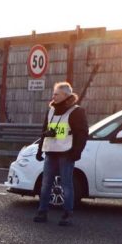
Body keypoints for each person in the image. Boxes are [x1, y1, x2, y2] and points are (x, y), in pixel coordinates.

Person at [34, 81, 88, 226]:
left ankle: (67, 215)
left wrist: (77, 152)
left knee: (66, 185)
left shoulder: (76, 111)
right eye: (54, 94)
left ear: (65, 95)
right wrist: (39, 150)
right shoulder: (51, 110)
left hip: (66, 152)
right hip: (51, 151)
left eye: (56, 94)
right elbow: (44, 131)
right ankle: (42, 211)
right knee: (46, 184)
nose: (53, 96)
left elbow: (82, 134)